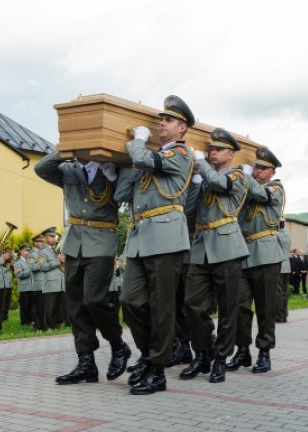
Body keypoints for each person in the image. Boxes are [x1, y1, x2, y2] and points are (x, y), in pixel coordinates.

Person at [114, 95, 194, 395]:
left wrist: (137, 143)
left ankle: (158, 370)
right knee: (130, 300)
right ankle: (148, 354)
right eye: (160, 119)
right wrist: (122, 167)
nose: (161, 123)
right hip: (138, 239)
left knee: (162, 307)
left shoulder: (181, 154)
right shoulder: (149, 161)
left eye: (168, 120)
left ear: (182, 128)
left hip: (165, 237)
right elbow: (122, 194)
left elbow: (144, 158)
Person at [34, 146, 131, 386]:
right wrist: (65, 148)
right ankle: (85, 362)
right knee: (74, 304)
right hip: (74, 241)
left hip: (101, 239)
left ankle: (118, 345)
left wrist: (109, 165)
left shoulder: (113, 170)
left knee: (94, 300)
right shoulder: (68, 169)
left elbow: (125, 194)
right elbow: (40, 168)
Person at [180, 127, 249, 384]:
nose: (212, 153)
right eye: (210, 150)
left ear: (231, 154)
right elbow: (188, 209)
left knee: (228, 308)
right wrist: (195, 183)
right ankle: (203, 351)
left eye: (218, 150)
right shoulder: (205, 177)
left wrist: (200, 164)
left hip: (227, 247)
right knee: (192, 305)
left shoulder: (238, 176)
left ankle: (220, 358)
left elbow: (220, 184)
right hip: (201, 248)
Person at [226, 146, 285, 374]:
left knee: (265, 308)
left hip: (267, 254)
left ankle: (265, 352)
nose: (258, 171)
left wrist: (246, 176)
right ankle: (242, 350)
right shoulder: (248, 190)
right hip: (243, 254)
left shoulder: (276, 188)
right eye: (256, 167)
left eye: (263, 168)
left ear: (271, 171)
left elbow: (261, 194)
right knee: (239, 306)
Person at [39, 227, 66, 330]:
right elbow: (43, 267)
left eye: (54, 236)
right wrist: (57, 262)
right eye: (51, 236)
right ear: (45, 238)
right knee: (50, 308)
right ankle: (47, 327)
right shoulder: (42, 252)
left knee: (60, 307)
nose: (54, 238)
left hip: (60, 283)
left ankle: (57, 326)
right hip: (50, 284)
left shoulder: (57, 250)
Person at [28, 234, 46, 331]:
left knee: (44, 308)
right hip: (38, 285)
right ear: (35, 243)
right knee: (38, 308)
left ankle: (44, 326)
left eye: (42, 241)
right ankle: (37, 327)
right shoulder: (31, 254)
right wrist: (41, 263)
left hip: (46, 284)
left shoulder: (43, 252)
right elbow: (33, 267)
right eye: (40, 241)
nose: (42, 243)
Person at [14, 244, 35, 325]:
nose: (28, 252)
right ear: (21, 251)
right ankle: (24, 322)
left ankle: (31, 321)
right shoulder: (18, 263)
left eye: (29, 250)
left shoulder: (31, 261)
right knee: (25, 306)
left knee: (32, 306)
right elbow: (19, 275)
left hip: (33, 287)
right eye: (26, 250)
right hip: (24, 288)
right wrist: (30, 270)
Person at [276, 220, 291, 322]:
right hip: (287, 266)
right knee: (284, 293)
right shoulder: (288, 235)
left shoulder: (277, 235)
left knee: (278, 293)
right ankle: (284, 314)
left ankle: (279, 315)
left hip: (279, 266)